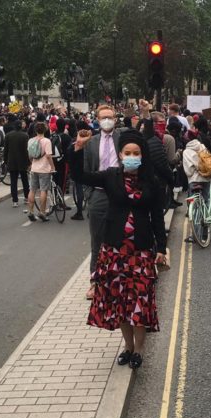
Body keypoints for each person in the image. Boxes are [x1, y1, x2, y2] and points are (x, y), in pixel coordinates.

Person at [70, 129, 166, 369]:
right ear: (120, 155)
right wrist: (78, 150)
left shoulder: (151, 181)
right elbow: (80, 176)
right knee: (121, 302)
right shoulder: (111, 176)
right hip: (114, 252)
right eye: (128, 153)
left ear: (142, 155)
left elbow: (157, 217)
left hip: (141, 252)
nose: (132, 156)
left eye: (136, 153)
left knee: (139, 302)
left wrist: (161, 248)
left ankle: (140, 350)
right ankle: (128, 347)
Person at [80, 105, 121, 298]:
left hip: (119, 193)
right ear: (97, 119)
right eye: (103, 117)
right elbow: (85, 170)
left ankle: (118, 280)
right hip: (98, 194)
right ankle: (94, 282)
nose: (107, 120)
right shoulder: (91, 142)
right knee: (97, 241)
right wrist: (90, 194)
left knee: (120, 239)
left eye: (110, 117)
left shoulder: (122, 138)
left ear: (115, 119)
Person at [26, 123, 56, 222]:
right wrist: (52, 167)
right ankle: (42, 212)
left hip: (34, 168)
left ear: (35, 130)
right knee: (44, 190)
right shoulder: (47, 141)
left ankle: (30, 211)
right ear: (45, 130)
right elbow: (48, 156)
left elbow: (30, 155)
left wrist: (32, 163)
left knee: (32, 190)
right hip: (44, 169)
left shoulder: (31, 140)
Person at [3, 121, 31, 208]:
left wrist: (5, 160)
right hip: (23, 160)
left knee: (13, 181)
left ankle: (15, 200)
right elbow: (27, 150)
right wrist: (29, 162)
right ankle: (26, 197)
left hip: (12, 160)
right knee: (24, 180)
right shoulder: (25, 136)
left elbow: (6, 150)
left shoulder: (8, 135)